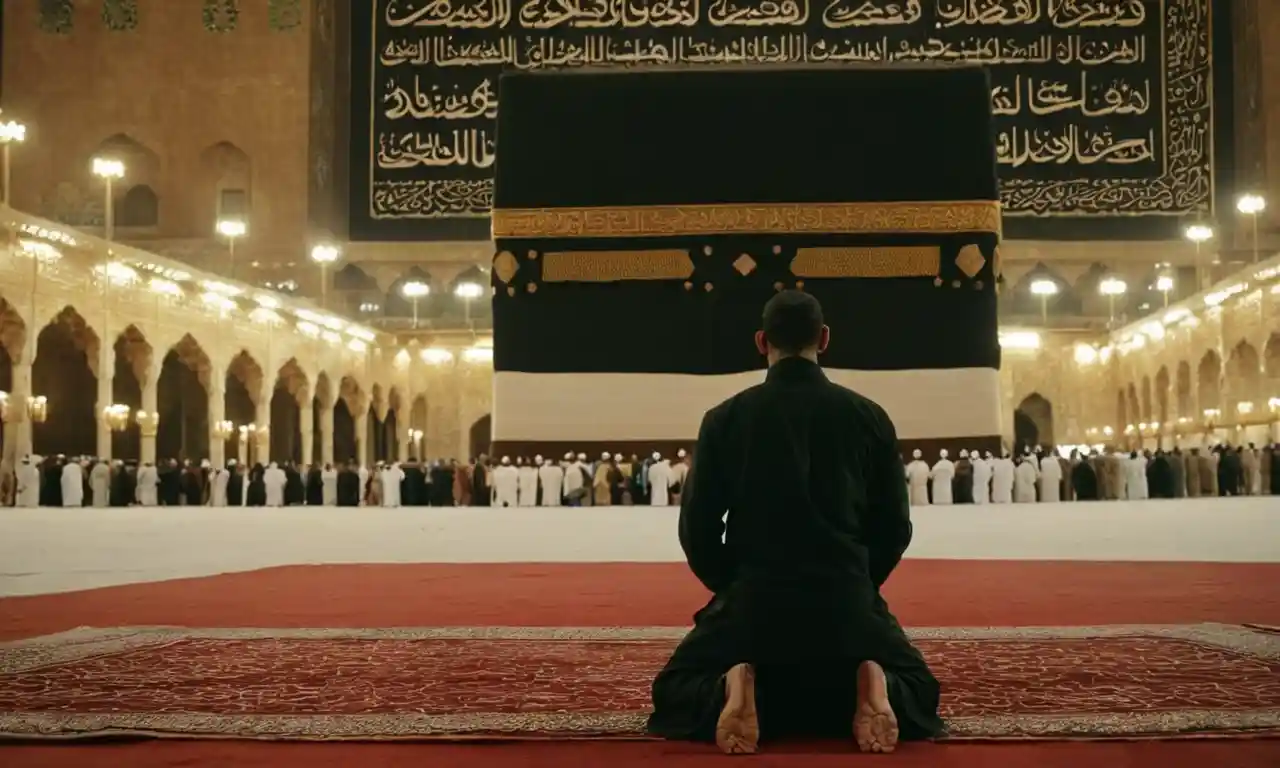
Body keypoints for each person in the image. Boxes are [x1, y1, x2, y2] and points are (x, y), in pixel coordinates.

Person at [648, 291, 942, 755]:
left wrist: (732, 586)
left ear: (762, 342)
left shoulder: (725, 419)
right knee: (922, 694)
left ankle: (735, 689)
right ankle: (871, 687)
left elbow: (698, 529)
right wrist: (860, 582)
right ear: (824, 339)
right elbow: (894, 528)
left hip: (754, 599)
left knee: (674, 692)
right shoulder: (869, 417)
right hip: (846, 598)